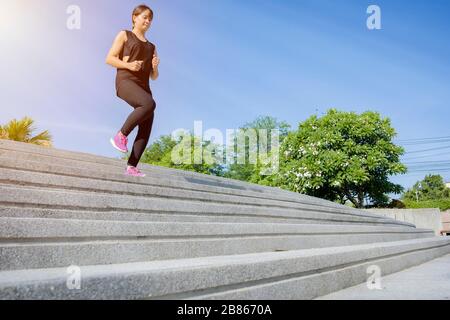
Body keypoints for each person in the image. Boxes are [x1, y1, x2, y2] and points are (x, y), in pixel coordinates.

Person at [105, 4, 160, 177]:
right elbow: (109, 58)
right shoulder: (125, 35)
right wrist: (128, 65)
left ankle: (131, 167)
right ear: (134, 17)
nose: (148, 21)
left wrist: (155, 68)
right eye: (144, 17)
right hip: (126, 81)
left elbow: (154, 76)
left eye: (150, 18)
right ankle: (121, 135)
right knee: (149, 104)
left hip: (144, 86)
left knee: (147, 122)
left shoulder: (152, 47)